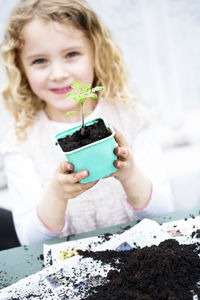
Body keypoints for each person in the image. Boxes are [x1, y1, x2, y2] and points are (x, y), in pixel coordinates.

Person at [0, 0, 174, 246]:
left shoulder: (132, 118)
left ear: (97, 53)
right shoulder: (20, 143)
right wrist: (57, 195)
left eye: (71, 54)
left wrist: (129, 174)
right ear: (21, 67)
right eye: (40, 61)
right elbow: (30, 240)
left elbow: (165, 212)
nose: (58, 73)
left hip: (140, 257)